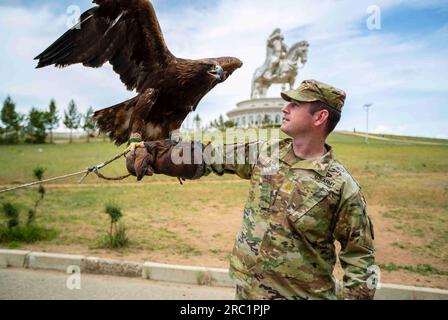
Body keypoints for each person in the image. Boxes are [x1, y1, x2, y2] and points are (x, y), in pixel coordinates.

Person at [126, 79, 376, 300]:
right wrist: (155, 155)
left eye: (295, 105)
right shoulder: (265, 154)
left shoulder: (341, 186)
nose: (284, 108)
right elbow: (211, 155)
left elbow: (360, 259)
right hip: (247, 293)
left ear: (320, 117)